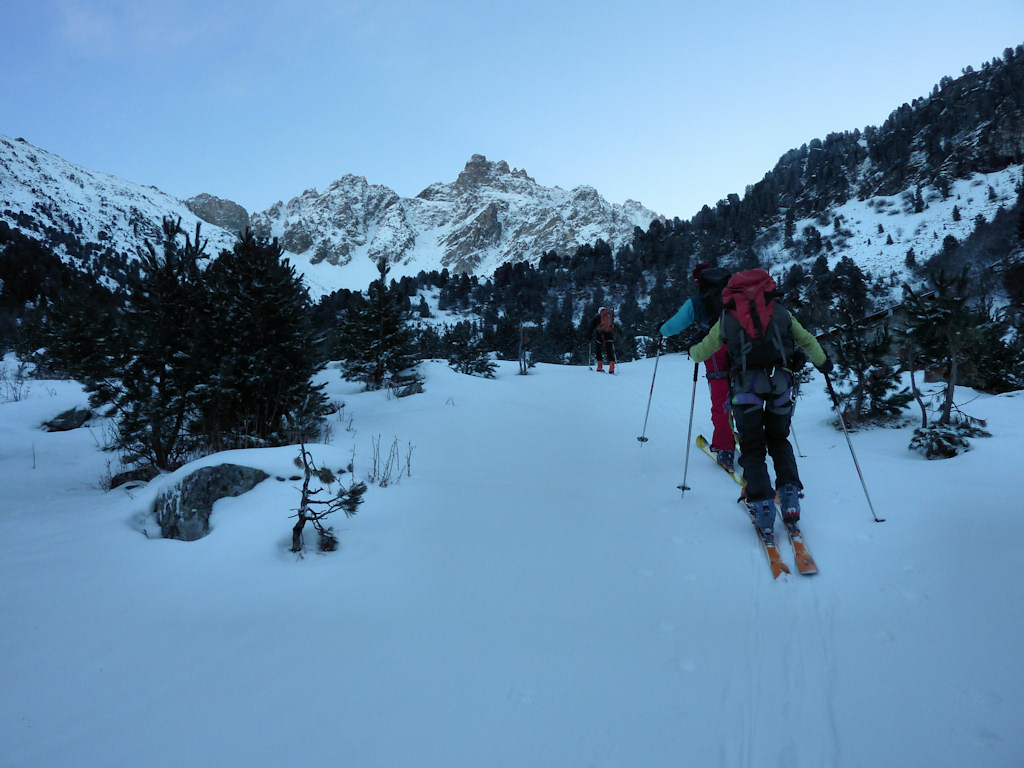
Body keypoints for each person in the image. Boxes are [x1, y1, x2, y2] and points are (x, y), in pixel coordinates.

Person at [687, 268, 832, 538]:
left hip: (745, 388)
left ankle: (763, 508)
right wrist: (823, 362)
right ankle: (789, 496)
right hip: (781, 383)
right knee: (778, 439)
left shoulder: (728, 316)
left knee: (752, 447)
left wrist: (692, 350)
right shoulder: (781, 311)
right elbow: (808, 341)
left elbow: (703, 352)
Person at [660, 263, 735, 470]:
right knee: (743, 393)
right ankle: (745, 434)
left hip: (714, 350)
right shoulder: (736, 293)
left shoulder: (697, 300)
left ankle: (725, 448)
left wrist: (661, 330)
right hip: (743, 347)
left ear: (697, 280)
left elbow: (674, 326)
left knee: (720, 400)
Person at [587, 306, 617, 373]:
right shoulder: (609, 317)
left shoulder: (597, 317)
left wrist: (589, 336)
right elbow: (613, 326)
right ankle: (612, 365)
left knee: (598, 350)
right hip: (609, 335)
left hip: (599, 335)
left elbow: (591, 327)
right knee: (609, 350)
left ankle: (599, 366)